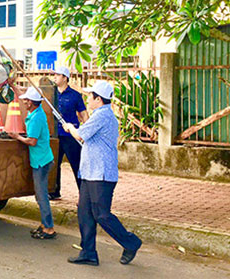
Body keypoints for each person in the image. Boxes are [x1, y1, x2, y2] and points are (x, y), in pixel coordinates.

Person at [63, 80, 142, 266]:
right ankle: (88, 252)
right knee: (84, 212)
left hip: (101, 175)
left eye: (90, 96)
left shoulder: (102, 116)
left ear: (98, 99)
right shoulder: (100, 114)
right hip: (91, 173)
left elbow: (80, 135)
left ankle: (131, 242)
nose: (87, 98)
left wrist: (70, 128)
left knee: (101, 215)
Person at [8, 86, 56, 240]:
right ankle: (44, 224)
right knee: (40, 195)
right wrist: (13, 85)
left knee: (41, 196)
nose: (25, 102)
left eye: (27, 100)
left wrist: (17, 137)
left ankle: (49, 228)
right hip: (43, 158)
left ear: (33, 102)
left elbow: (32, 141)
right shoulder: (37, 112)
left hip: (40, 161)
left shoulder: (36, 118)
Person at [50, 66, 88, 200]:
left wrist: (86, 132)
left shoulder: (75, 95)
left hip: (71, 136)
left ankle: (83, 194)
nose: (55, 77)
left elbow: (83, 114)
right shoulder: (51, 94)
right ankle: (54, 191)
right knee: (54, 164)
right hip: (56, 135)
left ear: (65, 78)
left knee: (76, 165)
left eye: (58, 75)